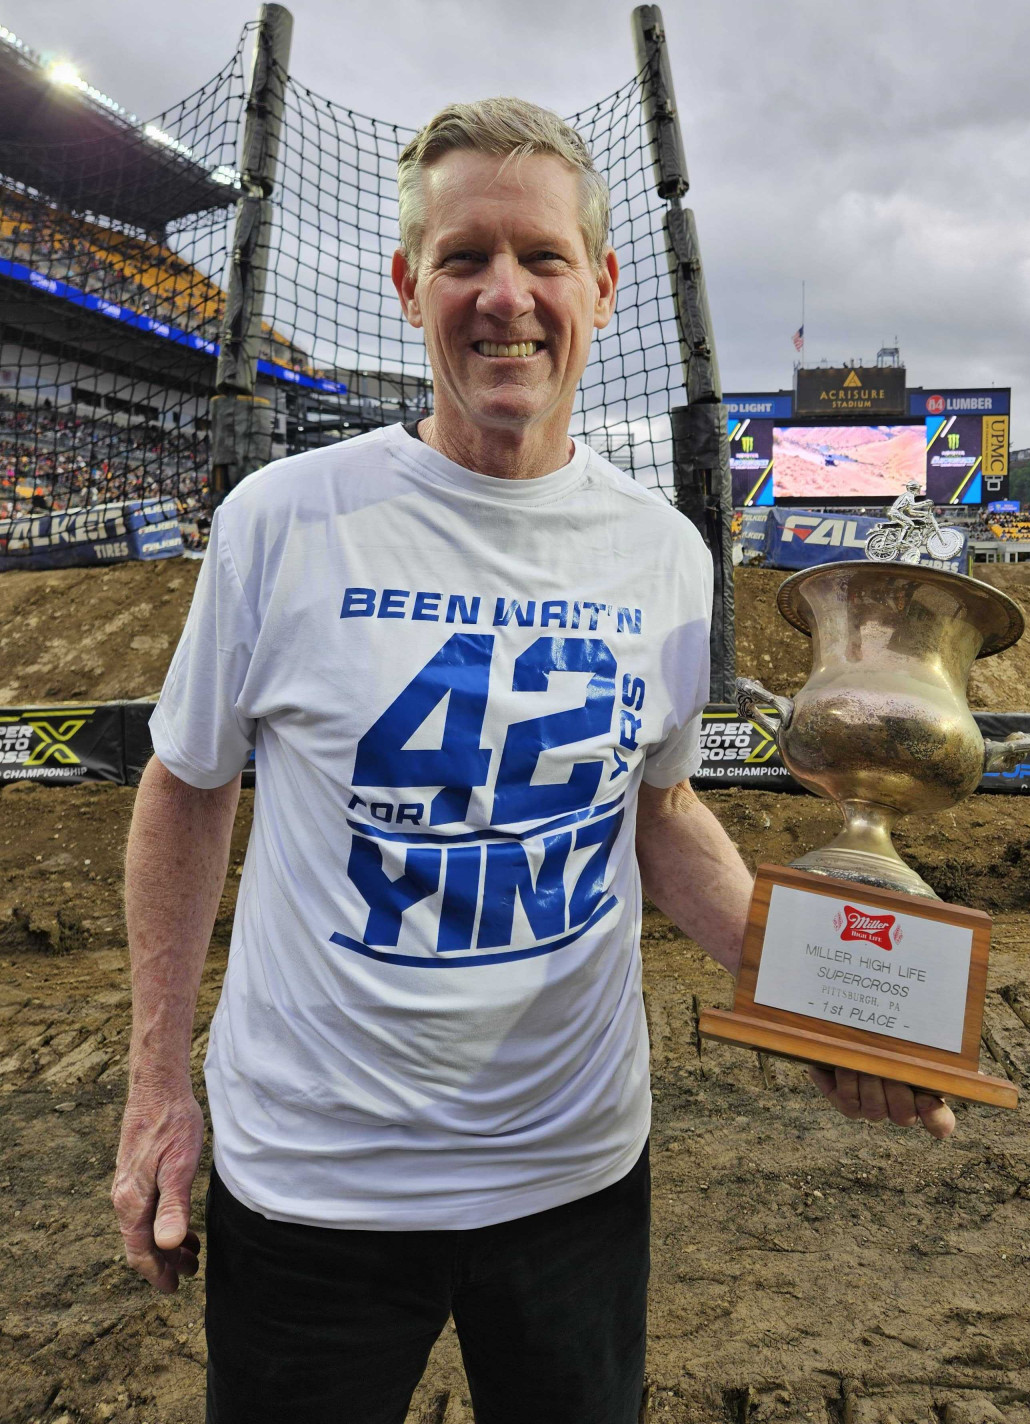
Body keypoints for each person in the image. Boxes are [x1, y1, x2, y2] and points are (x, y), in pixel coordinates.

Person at [111, 98, 955, 1424]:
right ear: (409, 286)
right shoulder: (283, 523)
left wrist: (827, 1000)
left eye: (543, 257)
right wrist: (159, 1085)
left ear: (603, 286)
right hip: (315, 1183)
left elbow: (660, 817)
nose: (506, 296)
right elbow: (187, 782)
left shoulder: (666, 553)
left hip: (573, 1182)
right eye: (464, 258)